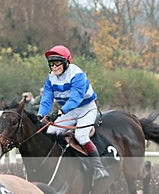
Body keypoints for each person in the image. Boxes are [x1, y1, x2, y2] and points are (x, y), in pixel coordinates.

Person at [38, 45, 108, 179]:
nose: (54, 67)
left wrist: (60, 112)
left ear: (66, 62)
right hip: (69, 111)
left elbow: (75, 99)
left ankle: (99, 168)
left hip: (86, 109)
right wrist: (40, 115)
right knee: (51, 132)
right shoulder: (50, 78)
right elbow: (46, 99)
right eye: (51, 64)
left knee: (81, 136)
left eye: (57, 63)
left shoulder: (77, 74)